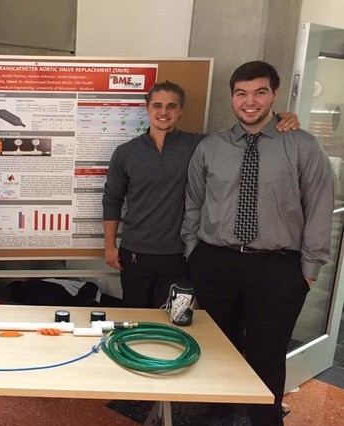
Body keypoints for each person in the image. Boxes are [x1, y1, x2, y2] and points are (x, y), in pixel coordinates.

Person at [181, 61, 334, 426]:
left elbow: (319, 206)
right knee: (221, 346)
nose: (250, 102)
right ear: (231, 97)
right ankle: (223, 408)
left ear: (274, 95)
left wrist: (309, 270)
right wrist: (193, 252)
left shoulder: (301, 145)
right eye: (241, 93)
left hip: (277, 267)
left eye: (260, 92)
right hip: (216, 262)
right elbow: (194, 202)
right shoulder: (211, 147)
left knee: (267, 355)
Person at [102, 81, 299, 308]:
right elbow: (113, 200)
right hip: (135, 255)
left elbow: (246, 135)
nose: (163, 112)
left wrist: (281, 118)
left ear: (180, 111)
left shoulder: (201, 145)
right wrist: (109, 246)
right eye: (157, 106)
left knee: (172, 323)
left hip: (179, 256)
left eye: (171, 106)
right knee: (134, 320)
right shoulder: (126, 153)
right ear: (147, 109)